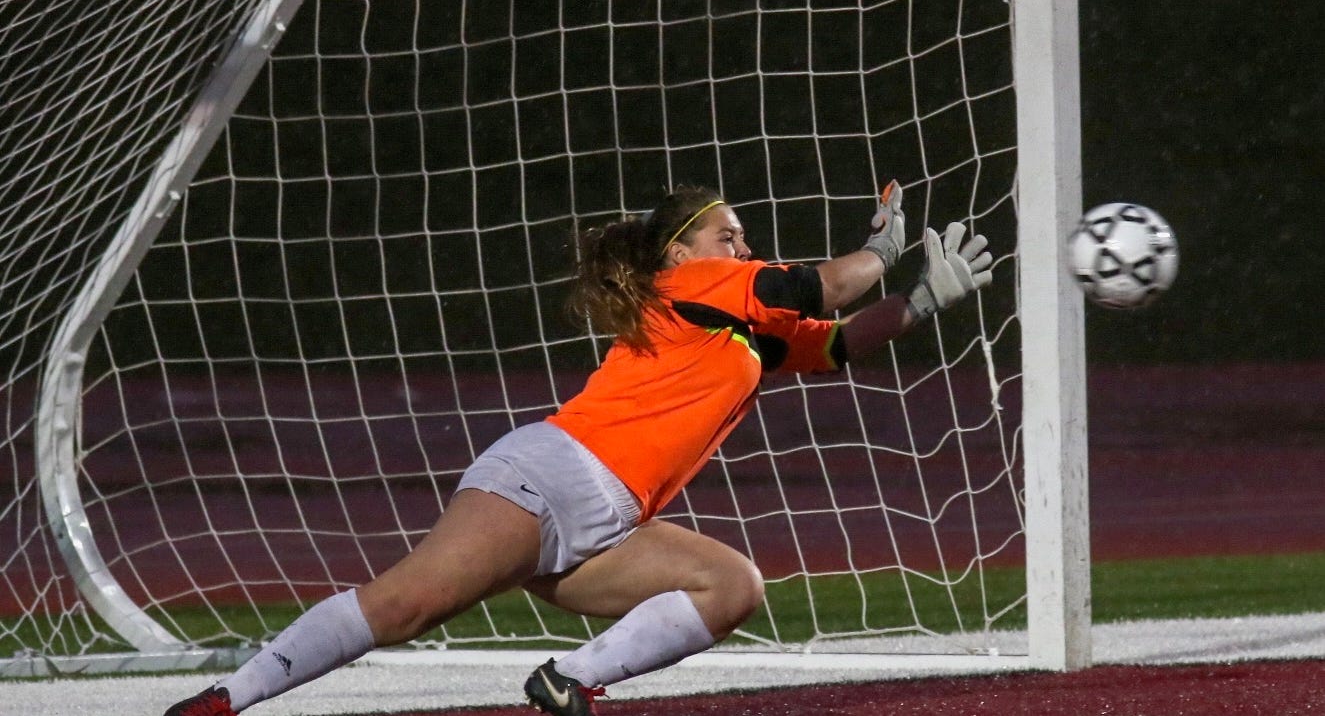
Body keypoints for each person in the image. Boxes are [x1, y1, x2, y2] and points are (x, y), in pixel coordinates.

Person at [162, 181, 991, 716]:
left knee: (729, 585)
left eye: (742, 241)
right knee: (403, 608)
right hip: (554, 479)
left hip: (615, 519)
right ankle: (227, 698)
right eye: (728, 237)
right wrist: (882, 251)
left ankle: (568, 681)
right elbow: (820, 286)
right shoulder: (691, 284)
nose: (742, 250)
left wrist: (921, 300)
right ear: (678, 253)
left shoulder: (742, 329)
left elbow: (836, 343)